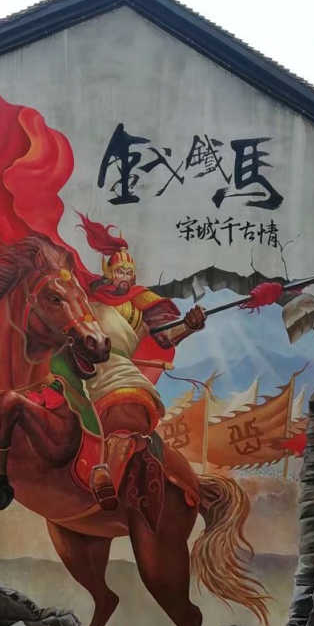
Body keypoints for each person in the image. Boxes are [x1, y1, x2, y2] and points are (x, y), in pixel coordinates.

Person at [76, 215, 206, 509]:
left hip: (118, 369)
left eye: (128, 272)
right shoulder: (85, 296)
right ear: (108, 272)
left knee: (132, 406)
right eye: (119, 270)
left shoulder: (141, 303)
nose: (124, 276)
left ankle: (107, 477)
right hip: (80, 363)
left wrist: (189, 325)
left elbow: (166, 337)